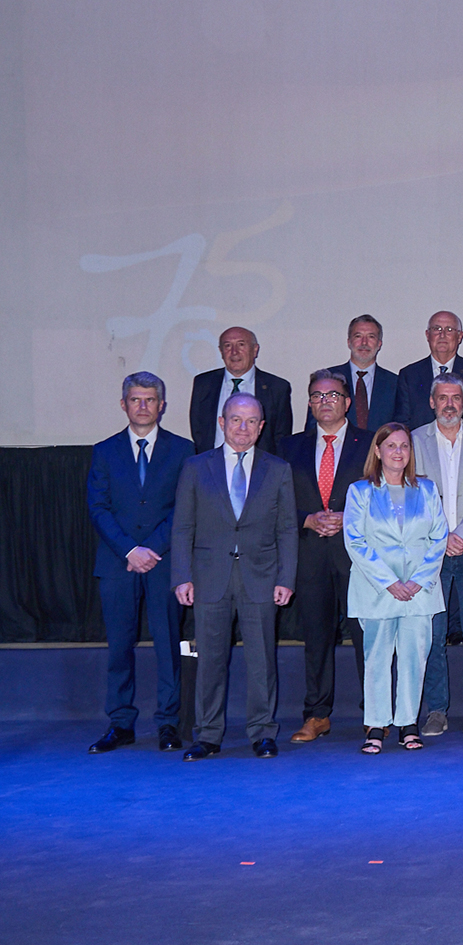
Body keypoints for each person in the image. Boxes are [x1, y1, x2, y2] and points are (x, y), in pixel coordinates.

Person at [170, 393, 297, 761]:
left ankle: (262, 733)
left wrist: (285, 578)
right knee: (209, 660)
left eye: (251, 421)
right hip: (209, 578)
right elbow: (182, 527)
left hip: (261, 577)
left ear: (261, 426)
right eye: (236, 420)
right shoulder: (196, 467)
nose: (243, 428)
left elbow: (288, 529)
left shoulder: (278, 469)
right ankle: (207, 734)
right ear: (222, 422)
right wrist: (181, 576)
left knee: (262, 660)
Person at [86, 372, 196, 754]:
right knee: (120, 646)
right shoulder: (104, 451)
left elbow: (185, 507)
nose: (143, 406)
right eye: (136, 400)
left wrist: (151, 548)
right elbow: (97, 508)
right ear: (124, 405)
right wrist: (130, 551)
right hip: (118, 564)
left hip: (164, 562)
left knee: (168, 643)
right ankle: (120, 723)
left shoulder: (183, 450)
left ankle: (168, 723)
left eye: (150, 400)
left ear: (162, 405)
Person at [344, 423, 448, 754]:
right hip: (377, 590)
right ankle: (376, 725)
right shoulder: (359, 491)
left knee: (414, 656)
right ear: (378, 451)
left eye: (404, 446)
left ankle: (407, 723)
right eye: (391, 446)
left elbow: (438, 537)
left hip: (420, 590)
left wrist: (417, 580)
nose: (398, 452)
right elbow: (355, 541)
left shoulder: (427, 490)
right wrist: (389, 582)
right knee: (376, 657)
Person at [280, 371, 370, 745]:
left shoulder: (371, 443)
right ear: (309, 403)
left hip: (359, 554)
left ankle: (376, 713)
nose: (325, 401)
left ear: (347, 402)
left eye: (333, 395)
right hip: (310, 553)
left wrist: (350, 517)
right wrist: (307, 518)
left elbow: (384, 496)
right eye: (317, 396)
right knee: (316, 637)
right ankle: (317, 714)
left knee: (368, 636)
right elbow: (277, 501)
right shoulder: (289, 447)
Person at [411, 373, 463, 737]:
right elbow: (410, 499)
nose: (449, 404)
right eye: (442, 397)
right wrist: (443, 537)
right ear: (432, 402)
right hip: (431, 553)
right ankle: (436, 710)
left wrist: (462, 533)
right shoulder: (411, 442)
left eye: (455, 397)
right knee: (432, 634)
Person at [188, 326, 293, 455]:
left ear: (255, 350)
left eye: (241, 345)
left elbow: (281, 437)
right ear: (221, 352)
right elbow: (198, 431)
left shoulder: (277, 387)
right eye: (227, 346)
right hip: (212, 466)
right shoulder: (203, 384)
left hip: (259, 469)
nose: (234, 352)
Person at [394, 310, 463, 429]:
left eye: (449, 329)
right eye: (436, 329)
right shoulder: (409, 375)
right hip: (419, 445)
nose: (442, 335)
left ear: (459, 336)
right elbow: (402, 422)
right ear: (427, 335)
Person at [309, 314, 397, 434]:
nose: (364, 342)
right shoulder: (327, 380)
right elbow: (312, 427)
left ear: (379, 343)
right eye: (358, 336)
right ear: (349, 342)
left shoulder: (395, 383)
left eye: (371, 337)